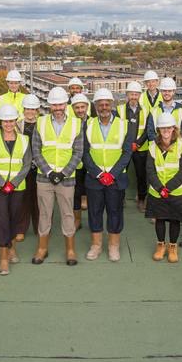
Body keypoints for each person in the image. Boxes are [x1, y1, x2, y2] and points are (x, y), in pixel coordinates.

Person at [31, 86, 84, 266]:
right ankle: (42, 248)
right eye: (54, 105)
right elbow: (36, 151)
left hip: (66, 178)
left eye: (61, 104)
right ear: (50, 106)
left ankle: (70, 249)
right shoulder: (41, 122)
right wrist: (49, 172)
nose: (58, 108)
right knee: (44, 213)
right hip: (44, 178)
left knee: (67, 213)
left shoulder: (76, 123)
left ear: (66, 104)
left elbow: (78, 152)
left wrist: (63, 173)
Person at [82, 88, 134, 262]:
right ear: (95, 106)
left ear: (112, 105)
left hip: (116, 179)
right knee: (94, 212)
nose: (104, 107)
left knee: (115, 211)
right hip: (94, 179)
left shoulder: (124, 125)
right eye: (100, 104)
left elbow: (127, 153)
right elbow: (84, 153)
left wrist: (112, 174)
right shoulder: (87, 125)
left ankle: (113, 246)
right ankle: (96, 246)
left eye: (107, 104)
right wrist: (98, 173)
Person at [0, 104, 32, 275]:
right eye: (5, 121)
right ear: (0, 122)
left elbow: (26, 164)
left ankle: (12, 247)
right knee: (2, 219)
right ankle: (4, 256)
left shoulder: (24, 140)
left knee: (15, 218)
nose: (8, 124)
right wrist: (1, 183)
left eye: (11, 120)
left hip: (17, 187)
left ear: (15, 121)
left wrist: (13, 183)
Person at [146, 113, 182, 263]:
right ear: (158, 129)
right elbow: (150, 170)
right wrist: (160, 188)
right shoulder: (152, 146)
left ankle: (172, 247)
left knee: (174, 220)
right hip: (157, 192)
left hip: (176, 192)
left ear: (173, 128)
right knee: (160, 219)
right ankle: (160, 246)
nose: (166, 130)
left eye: (169, 127)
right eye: (162, 127)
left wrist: (168, 188)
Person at [115, 81, 150, 213]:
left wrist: (138, 143)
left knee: (141, 175)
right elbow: (117, 129)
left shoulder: (146, 111)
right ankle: (121, 198)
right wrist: (128, 144)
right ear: (127, 95)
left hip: (140, 149)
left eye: (136, 94)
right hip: (125, 148)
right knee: (121, 174)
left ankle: (141, 199)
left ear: (140, 95)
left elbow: (148, 129)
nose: (134, 97)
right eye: (131, 94)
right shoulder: (120, 110)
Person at [16, 94, 41, 241]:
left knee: (39, 200)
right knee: (22, 199)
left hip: (39, 167)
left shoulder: (43, 124)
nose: (30, 112)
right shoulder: (17, 125)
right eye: (27, 109)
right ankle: (21, 228)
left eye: (33, 109)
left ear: (37, 110)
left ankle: (40, 228)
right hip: (22, 168)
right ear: (23, 109)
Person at [70, 92, 91, 229]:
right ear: (73, 109)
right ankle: (77, 220)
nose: (80, 110)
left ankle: (93, 222)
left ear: (87, 107)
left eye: (82, 107)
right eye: (77, 108)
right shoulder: (70, 124)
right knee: (76, 194)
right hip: (75, 164)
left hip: (91, 164)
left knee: (91, 193)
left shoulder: (94, 122)